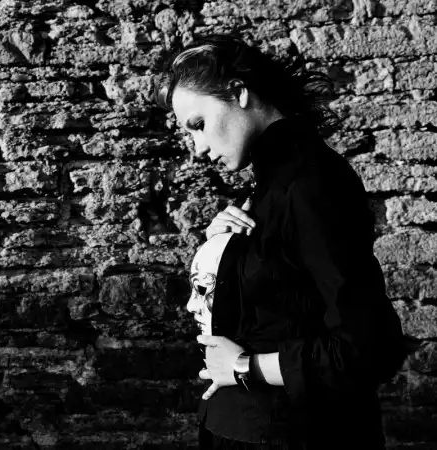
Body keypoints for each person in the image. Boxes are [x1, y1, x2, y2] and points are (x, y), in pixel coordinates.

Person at [156, 34, 407, 450]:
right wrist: (218, 248)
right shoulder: (269, 186)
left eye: (198, 125)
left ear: (238, 92)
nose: (197, 149)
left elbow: (367, 347)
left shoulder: (311, 183)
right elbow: (271, 310)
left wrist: (245, 366)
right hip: (245, 428)